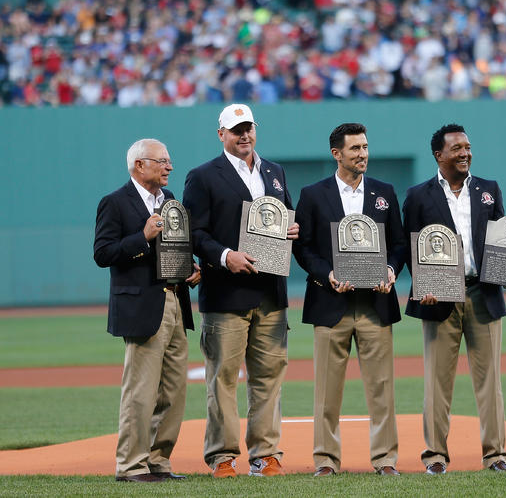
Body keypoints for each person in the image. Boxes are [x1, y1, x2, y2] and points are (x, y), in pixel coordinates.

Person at [403, 123, 506, 475]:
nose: (465, 153)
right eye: (457, 148)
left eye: (467, 146)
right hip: (438, 296)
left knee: (490, 381)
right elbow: (410, 247)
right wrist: (421, 285)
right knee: (436, 382)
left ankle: (496, 456)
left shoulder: (488, 190)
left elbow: (504, 242)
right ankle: (435, 457)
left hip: (483, 292)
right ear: (439, 155)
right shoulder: (418, 196)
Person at [182, 103, 299, 478]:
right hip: (225, 292)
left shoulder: (274, 171)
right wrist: (224, 255)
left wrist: (292, 230)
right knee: (223, 378)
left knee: (269, 378)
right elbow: (193, 233)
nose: (244, 135)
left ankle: (265, 454)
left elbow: (286, 215)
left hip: (270, 291)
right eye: (236, 130)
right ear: (222, 135)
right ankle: (222, 456)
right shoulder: (202, 176)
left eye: (248, 128)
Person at [293, 123, 406, 477]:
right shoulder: (312, 194)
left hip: (376, 303)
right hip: (331, 304)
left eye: (365, 147)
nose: (363, 154)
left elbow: (400, 244)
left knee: (382, 389)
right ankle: (326, 461)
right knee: (327, 391)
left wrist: (390, 270)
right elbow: (303, 248)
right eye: (355, 148)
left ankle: (385, 460)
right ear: (336, 154)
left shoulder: (384, 192)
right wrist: (326, 275)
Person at [93, 138, 200, 483]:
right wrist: (141, 236)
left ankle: (158, 461)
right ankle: (131, 465)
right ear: (140, 165)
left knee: (173, 390)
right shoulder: (115, 202)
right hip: (141, 306)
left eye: (169, 161)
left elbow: (173, 250)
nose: (169, 167)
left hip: (175, 300)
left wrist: (189, 268)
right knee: (140, 392)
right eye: (162, 161)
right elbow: (103, 253)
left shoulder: (169, 201)